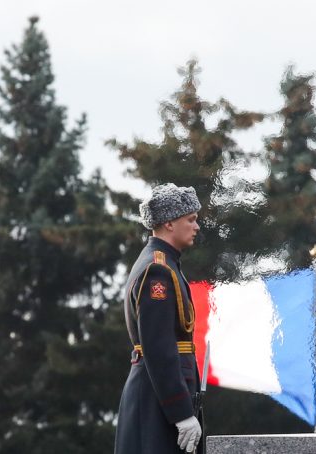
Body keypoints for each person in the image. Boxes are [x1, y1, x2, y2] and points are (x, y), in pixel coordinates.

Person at [115, 183, 204, 454]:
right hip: (158, 403)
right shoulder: (158, 270)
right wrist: (181, 413)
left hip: (160, 399)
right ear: (169, 223)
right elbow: (158, 347)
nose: (196, 226)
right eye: (190, 219)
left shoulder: (166, 264)